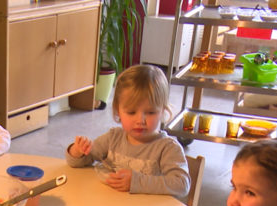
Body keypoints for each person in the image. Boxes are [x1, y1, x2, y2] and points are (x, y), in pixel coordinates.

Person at [66, 64, 190, 198]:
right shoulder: (113, 138)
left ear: (163, 112)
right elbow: (80, 161)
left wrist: (137, 182)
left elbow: (182, 184)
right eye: (131, 112)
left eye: (150, 112)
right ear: (117, 111)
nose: (140, 120)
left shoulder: (167, 148)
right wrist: (77, 151)